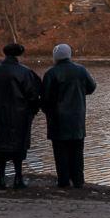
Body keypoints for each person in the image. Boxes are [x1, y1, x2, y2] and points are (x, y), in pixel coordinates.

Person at [0, 42, 42, 189]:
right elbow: (34, 95)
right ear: (19, 55)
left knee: (1, 146)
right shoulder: (26, 72)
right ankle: (18, 178)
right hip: (21, 115)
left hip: (0, 115)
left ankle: (1, 179)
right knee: (19, 147)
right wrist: (33, 111)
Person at [40, 43, 96, 188]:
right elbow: (91, 87)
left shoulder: (51, 72)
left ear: (55, 56)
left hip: (58, 118)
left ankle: (63, 181)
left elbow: (45, 98)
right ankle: (78, 180)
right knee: (77, 151)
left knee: (61, 152)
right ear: (69, 55)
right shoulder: (80, 70)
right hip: (77, 117)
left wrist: (48, 112)